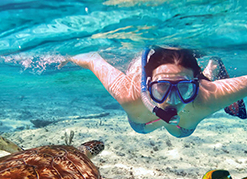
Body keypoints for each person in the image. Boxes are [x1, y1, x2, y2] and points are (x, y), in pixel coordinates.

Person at [59, 46, 247, 138]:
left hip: (180, 128)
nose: (172, 100)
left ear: (195, 85)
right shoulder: (129, 94)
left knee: (179, 132)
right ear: (147, 85)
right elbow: (93, 59)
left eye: (184, 88)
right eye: (162, 87)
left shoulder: (206, 97)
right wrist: (69, 56)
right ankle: (211, 67)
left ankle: (211, 68)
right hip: (145, 124)